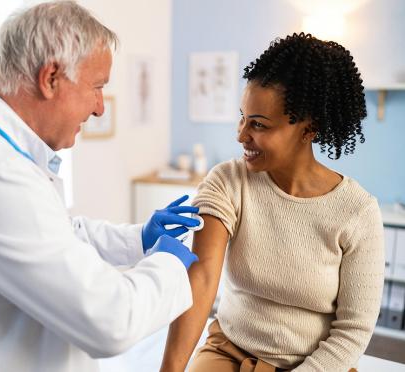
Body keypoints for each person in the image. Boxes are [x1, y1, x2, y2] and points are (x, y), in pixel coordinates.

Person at [0, 2, 201, 371]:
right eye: (97, 87)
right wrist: (169, 261)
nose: (101, 108)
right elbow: (110, 322)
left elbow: (52, 238)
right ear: (51, 77)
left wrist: (138, 240)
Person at [160, 33, 384, 372]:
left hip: (316, 365)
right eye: (242, 117)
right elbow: (202, 278)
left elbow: (353, 331)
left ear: (310, 129)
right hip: (229, 351)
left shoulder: (357, 212)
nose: (241, 135)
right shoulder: (228, 181)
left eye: (258, 125)